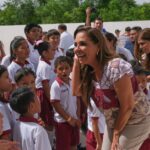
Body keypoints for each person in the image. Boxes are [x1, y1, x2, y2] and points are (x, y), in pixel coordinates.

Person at [72, 26, 150, 150]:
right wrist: (77, 62)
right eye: (75, 44)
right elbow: (76, 91)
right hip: (115, 121)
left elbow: (128, 105)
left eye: (82, 44)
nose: (77, 48)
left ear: (98, 46)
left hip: (137, 120)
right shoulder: (88, 70)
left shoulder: (115, 67)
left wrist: (116, 134)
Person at [50, 56, 81, 150]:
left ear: (71, 68)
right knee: (63, 146)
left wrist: (78, 117)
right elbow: (56, 104)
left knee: (74, 144)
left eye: (66, 68)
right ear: (55, 70)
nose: (64, 71)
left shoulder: (73, 82)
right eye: (61, 69)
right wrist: (68, 118)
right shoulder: (56, 86)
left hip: (75, 120)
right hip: (62, 122)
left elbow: (78, 100)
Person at [35, 41, 55, 146]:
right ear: (44, 53)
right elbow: (45, 85)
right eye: (51, 50)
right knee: (48, 122)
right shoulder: (44, 66)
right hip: (44, 95)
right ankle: (48, 145)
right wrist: (52, 100)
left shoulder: (46, 64)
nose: (54, 52)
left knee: (49, 121)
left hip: (46, 94)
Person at [0, 65, 12, 140]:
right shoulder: (0, 107)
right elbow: (5, 138)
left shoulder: (3, 103)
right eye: (7, 77)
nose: (10, 80)